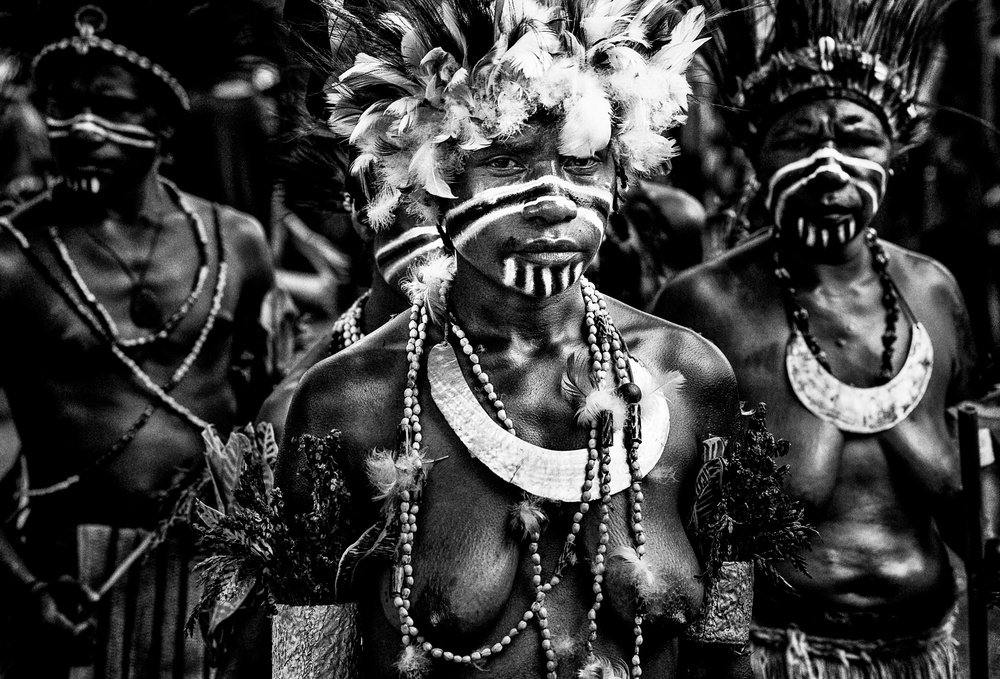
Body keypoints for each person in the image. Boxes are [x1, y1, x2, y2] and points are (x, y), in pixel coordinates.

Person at [270, 0, 758, 676]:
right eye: (504, 160)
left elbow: (725, 654)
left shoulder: (692, 376)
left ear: (620, 172)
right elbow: (306, 666)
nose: (553, 200)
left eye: (582, 162)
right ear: (436, 184)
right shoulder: (351, 401)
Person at [652, 0, 1000, 676]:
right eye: (798, 140)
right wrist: (721, 655)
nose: (830, 166)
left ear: (893, 155)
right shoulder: (706, 305)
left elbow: (976, 481)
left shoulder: (933, 293)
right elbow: (681, 513)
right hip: (780, 656)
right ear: (757, 156)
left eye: (857, 139)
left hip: (924, 650)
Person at [0, 2, 274, 677]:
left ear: (164, 120)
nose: (82, 128)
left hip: (212, 571)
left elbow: (266, 417)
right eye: (61, 105)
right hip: (66, 577)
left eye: (111, 106)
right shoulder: (12, 259)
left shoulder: (237, 245)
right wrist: (24, 590)